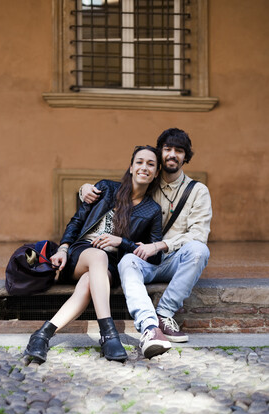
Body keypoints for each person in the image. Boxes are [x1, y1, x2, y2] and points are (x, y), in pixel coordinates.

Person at [24, 145, 172, 364]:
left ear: (157, 173)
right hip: (80, 253)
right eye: (139, 162)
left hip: (110, 266)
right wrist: (64, 247)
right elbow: (77, 220)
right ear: (131, 167)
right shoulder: (107, 189)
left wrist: (122, 242)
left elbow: (154, 257)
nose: (144, 167)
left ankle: (42, 335)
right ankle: (108, 333)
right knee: (97, 257)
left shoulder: (152, 211)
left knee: (87, 284)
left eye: (151, 164)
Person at [80, 128, 212, 358]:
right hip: (144, 260)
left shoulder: (198, 191)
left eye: (179, 151)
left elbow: (199, 234)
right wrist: (84, 189)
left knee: (200, 249)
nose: (172, 154)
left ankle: (164, 313)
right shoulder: (147, 178)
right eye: (167, 149)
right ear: (159, 154)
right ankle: (150, 328)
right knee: (128, 260)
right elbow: (113, 190)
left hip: (174, 260)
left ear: (186, 157)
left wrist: (160, 245)